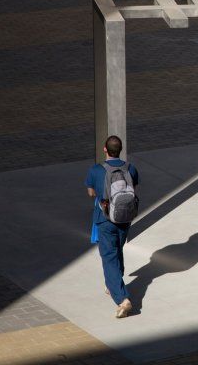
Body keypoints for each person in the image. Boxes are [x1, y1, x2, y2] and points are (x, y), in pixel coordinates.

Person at [85, 135, 139, 318]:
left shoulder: (96, 170)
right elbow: (133, 190)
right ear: (120, 149)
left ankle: (122, 299)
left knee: (109, 257)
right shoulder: (130, 168)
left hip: (105, 218)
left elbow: (91, 193)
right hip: (125, 218)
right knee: (117, 250)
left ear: (105, 149)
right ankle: (114, 284)